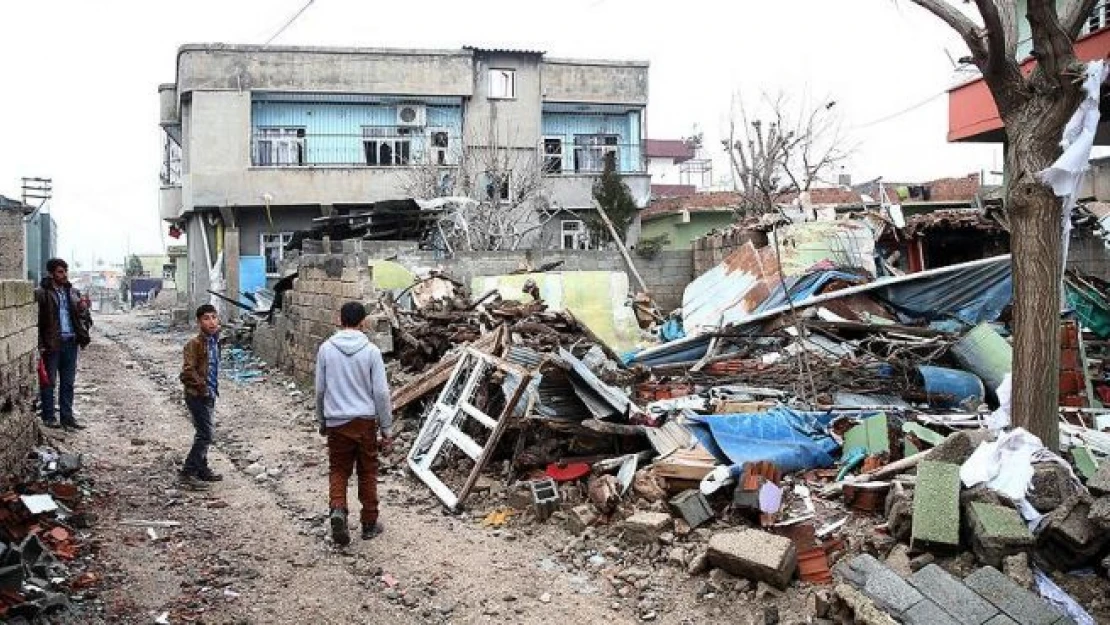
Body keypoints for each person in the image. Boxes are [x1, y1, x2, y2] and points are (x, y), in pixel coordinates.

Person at [315, 301, 393, 546]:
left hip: (337, 421)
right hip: (365, 422)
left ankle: (338, 509)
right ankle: (369, 523)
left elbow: (319, 390)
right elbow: (381, 393)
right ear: (363, 322)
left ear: (340, 319)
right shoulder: (371, 351)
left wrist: (322, 420)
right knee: (367, 471)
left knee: (338, 469)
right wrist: (387, 428)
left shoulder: (326, 349)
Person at [36, 258, 92, 430]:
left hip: (71, 342)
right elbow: (36, 321)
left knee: (68, 383)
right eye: (60, 271)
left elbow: (84, 317)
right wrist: (40, 345)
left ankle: (67, 418)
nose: (64, 275)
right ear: (51, 273)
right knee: (49, 382)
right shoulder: (42, 293)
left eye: (65, 271)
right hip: (52, 344)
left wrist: (83, 311)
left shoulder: (73, 292)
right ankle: (49, 417)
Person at [178, 304, 224, 490]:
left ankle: (202, 468)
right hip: (197, 395)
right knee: (205, 434)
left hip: (209, 393)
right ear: (199, 322)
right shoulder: (194, 344)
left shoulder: (215, 341)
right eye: (206, 318)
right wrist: (202, 388)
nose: (212, 322)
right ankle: (188, 472)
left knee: (203, 432)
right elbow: (187, 372)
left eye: (214, 317)